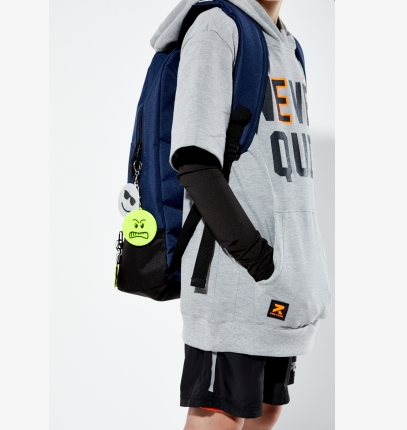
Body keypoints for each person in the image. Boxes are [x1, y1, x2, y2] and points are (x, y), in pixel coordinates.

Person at [150, 0, 332, 428]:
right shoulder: (217, 28)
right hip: (236, 284)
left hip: (284, 286)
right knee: (222, 414)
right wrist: (262, 264)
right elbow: (195, 161)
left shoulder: (289, 46)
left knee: (267, 409)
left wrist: (293, 272)